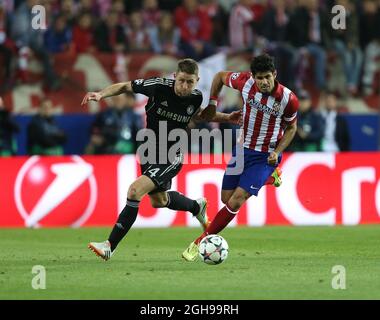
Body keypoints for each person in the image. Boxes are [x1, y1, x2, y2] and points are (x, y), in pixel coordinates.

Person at [81, 58, 241, 261]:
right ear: (175, 76)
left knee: (134, 191)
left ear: (197, 81)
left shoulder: (195, 98)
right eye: (182, 80)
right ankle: (196, 206)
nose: (185, 86)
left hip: (171, 154)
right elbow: (125, 86)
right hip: (149, 150)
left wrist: (227, 118)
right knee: (159, 201)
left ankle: (109, 246)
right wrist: (101, 94)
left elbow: (200, 115)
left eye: (190, 82)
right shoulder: (157, 86)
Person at [182, 53, 299, 261]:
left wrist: (277, 152)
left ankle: (201, 240)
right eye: (259, 78)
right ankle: (272, 178)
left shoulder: (288, 99)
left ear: (275, 74)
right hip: (242, 149)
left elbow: (291, 128)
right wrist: (212, 104)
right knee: (226, 199)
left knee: (235, 202)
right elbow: (218, 76)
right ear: (252, 76)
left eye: (267, 77)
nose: (263, 82)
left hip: (265, 156)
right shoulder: (244, 82)